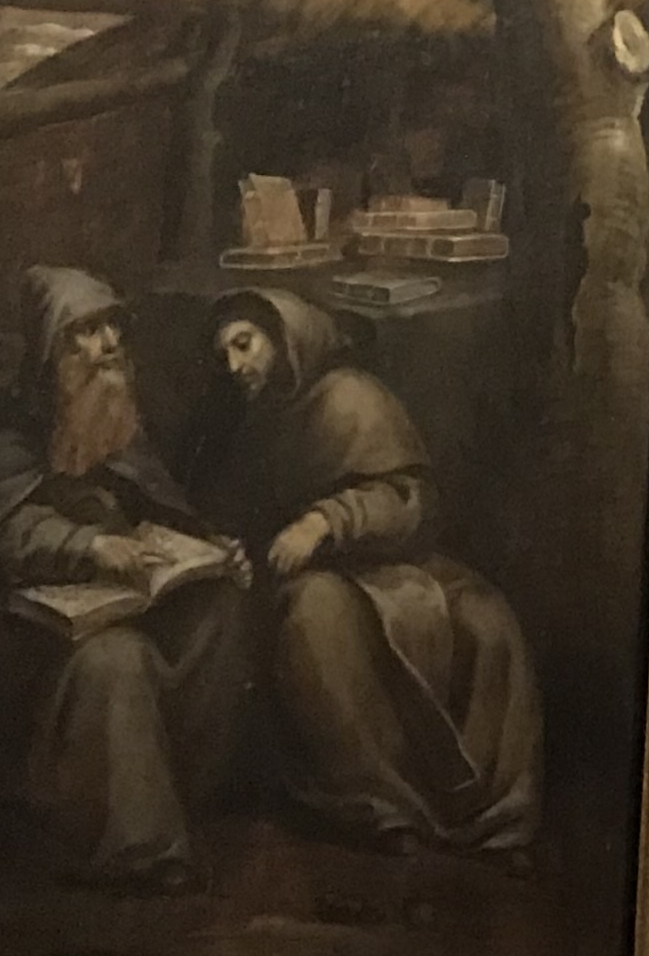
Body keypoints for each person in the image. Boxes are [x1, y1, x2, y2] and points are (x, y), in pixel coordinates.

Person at [0, 265, 247, 887]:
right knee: (117, 659)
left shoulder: (120, 427)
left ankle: (188, 799)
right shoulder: (7, 442)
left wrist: (212, 550)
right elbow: (4, 532)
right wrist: (88, 545)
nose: (108, 344)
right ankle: (137, 847)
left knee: (218, 610)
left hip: (111, 604)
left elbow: (159, 506)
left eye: (113, 326)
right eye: (85, 331)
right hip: (21, 643)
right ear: (49, 352)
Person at [199, 289, 543, 858]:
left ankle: (496, 814)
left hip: (396, 565)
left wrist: (325, 522)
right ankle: (382, 807)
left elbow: (412, 503)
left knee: (487, 621)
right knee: (314, 619)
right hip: (326, 582)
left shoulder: (351, 397)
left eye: (245, 344)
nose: (235, 365)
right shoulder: (257, 421)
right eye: (225, 355)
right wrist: (233, 548)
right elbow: (239, 518)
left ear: (284, 338)